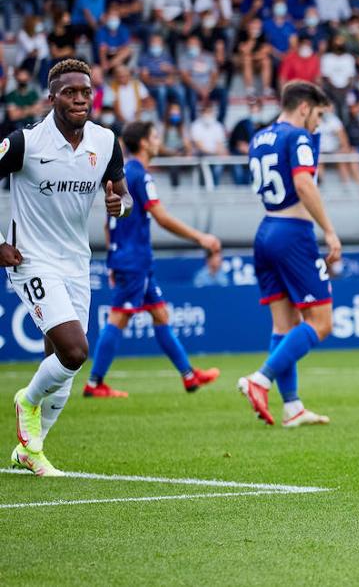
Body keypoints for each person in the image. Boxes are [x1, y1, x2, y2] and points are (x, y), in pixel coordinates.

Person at [5, 59, 132, 477]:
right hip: (32, 259)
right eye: (69, 92)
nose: (80, 99)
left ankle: (31, 450)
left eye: (86, 92)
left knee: (63, 370)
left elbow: (123, 195)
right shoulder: (26, 143)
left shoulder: (107, 141)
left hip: (77, 262)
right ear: (51, 96)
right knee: (76, 352)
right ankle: (26, 402)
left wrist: (120, 204)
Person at [86, 121, 223, 399]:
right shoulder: (141, 177)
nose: (159, 140)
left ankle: (188, 375)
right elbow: (160, 217)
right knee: (119, 317)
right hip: (133, 259)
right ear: (146, 143)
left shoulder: (124, 174)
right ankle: (94, 382)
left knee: (160, 314)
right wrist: (201, 238)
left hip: (131, 258)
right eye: (156, 135)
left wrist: (113, 257)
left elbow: (107, 223)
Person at [236, 82, 339, 428]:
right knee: (322, 323)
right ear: (305, 108)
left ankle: (292, 406)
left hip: (265, 230)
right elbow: (304, 183)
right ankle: (260, 380)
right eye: (318, 115)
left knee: (285, 324)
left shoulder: (260, 137)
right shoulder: (297, 137)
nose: (318, 124)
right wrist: (329, 230)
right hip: (293, 233)